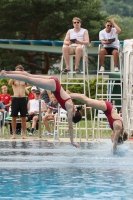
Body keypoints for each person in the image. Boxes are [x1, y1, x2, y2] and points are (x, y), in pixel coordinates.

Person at [0, 70, 81, 148]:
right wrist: (72, 141)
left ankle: (6, 72)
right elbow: (70, 127)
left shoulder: (72, 105)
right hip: (53, 86)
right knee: (28, 79)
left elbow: (77, 99)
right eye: (70, 117)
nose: (68, 116)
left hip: (55, 81)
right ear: (73, 114)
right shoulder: (70, 108)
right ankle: (5, 75)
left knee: (29, 76)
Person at [8, 65, 27, 139]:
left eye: (20, 71)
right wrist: (14, 74)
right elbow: (9, 84)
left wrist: (24, 74)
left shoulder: (24, 79)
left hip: (23, 99)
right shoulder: (13, 79)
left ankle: (24, 134)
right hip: (15, 99)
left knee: (23, 117)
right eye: (17, 71)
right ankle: (14, 134)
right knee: (14, 117)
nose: (18, 72)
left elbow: (30, 83)